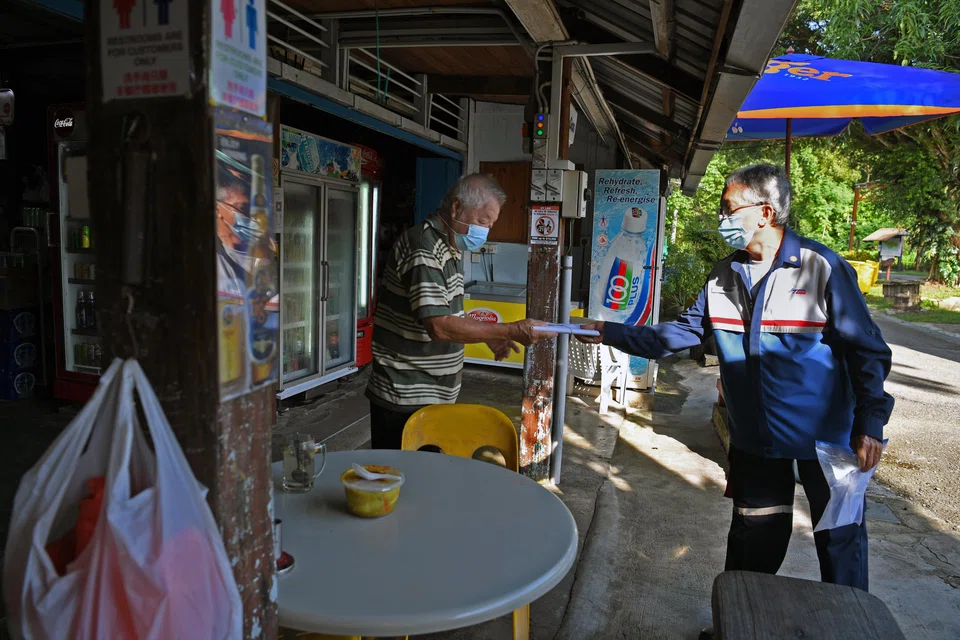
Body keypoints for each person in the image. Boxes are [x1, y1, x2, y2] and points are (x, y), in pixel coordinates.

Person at [578, 163, 893, 592]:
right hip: (757, 437)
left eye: (729, 209)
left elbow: (867, 351)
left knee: (840, 541)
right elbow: (679, 334)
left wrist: (870, 423)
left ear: (765, 213)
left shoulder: (821, 267)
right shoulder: (723, 275)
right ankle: (741, 616)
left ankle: (850, 619)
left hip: (828, 438)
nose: (721, 217)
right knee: (753, 538)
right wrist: (608, 331)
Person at [366, 173, 554, 449]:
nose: (486, 231)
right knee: (401, 474)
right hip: (405, 396)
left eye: (490, 225)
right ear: (456, 207)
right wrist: (510, 330)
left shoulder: (449, 247)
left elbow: (448, 315)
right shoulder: (424, 246)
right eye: (483, 221)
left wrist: (491, 336)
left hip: (431, 396)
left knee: (427, 471)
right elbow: (438, 325)